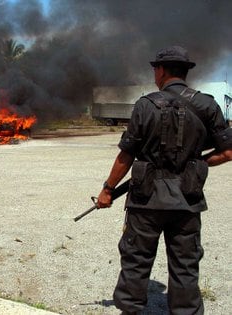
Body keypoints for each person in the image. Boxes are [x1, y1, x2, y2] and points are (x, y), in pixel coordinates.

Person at [96, 46, 232, 315]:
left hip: (146, 200)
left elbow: (126, 154)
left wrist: (107, 190)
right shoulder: (207, 104)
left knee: (136, 259)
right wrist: (198, 163)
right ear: (185, 72)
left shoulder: (145, 105)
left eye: (155, 69)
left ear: (160, 71)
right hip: (187, 200)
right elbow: (228, 151)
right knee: (185, 263)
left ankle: (131, 309)